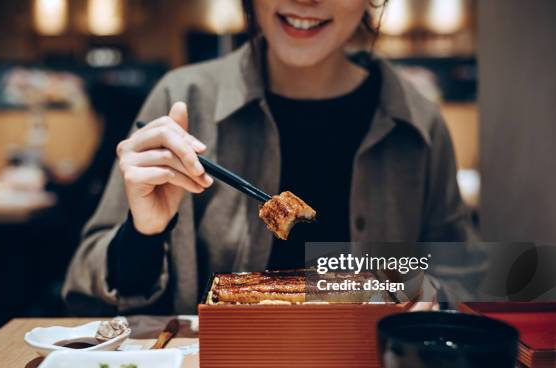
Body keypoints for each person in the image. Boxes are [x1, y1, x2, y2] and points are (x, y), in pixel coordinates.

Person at [63, 0, 473, 316]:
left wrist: (436, 292)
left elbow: (467, 274)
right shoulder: (182, 101)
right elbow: (82, 284)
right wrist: (144, 233)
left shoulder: (417, 122)